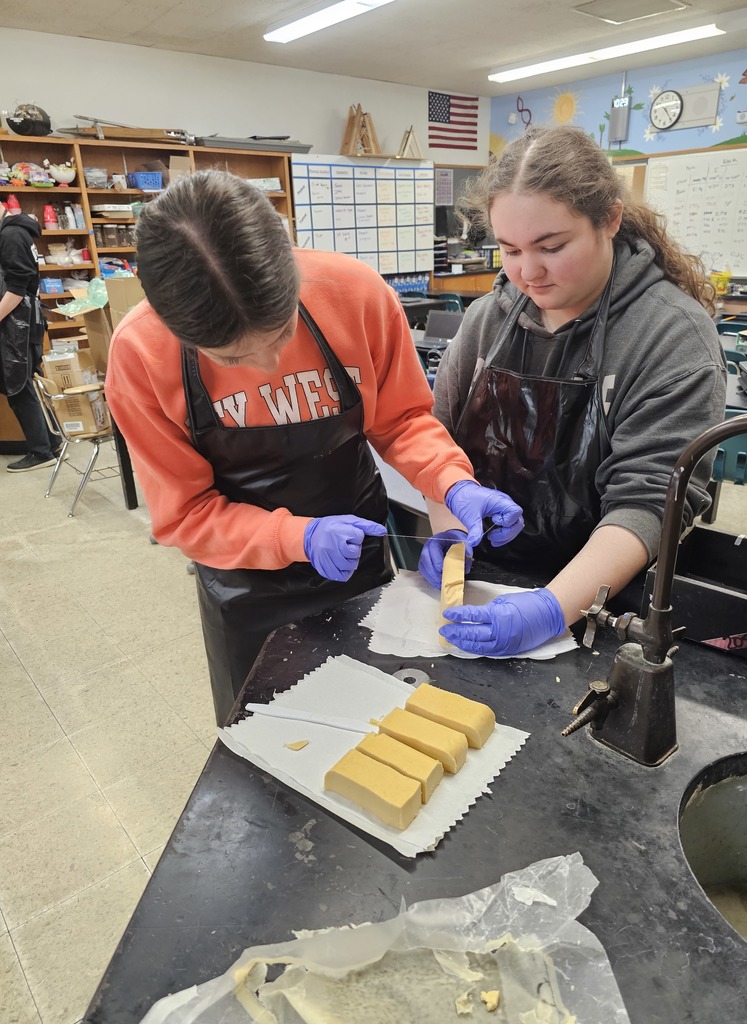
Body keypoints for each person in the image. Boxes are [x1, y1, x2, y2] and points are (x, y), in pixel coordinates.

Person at [105, 170, 523, 726]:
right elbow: (184, 516)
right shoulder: (140, 354)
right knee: (265, 748)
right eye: (230, 359)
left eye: (280, 333)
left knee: (376, 725)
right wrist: (295, 536)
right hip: (247, 590)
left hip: (358, 564)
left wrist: (452, 481)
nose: (269, 366)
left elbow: (400, 421)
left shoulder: (356, 295)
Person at [421, 125, 727, 658]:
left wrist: (551, 607)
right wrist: (448, 533)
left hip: (605, 599)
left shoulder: (671, 336)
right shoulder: (486, 322)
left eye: (551, 246)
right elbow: (435, 444)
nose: (527, 272)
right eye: (509, 249)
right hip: (484, 578)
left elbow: (651, 501)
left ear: (609, 219)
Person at [0, 202, 61, 472]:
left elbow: (16, 288)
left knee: (18, 387)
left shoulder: (11, 235)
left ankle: (41, 452)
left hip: (18, 324)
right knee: (29, 383)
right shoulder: (16, 231)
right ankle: (52, 442)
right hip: (25, 322)